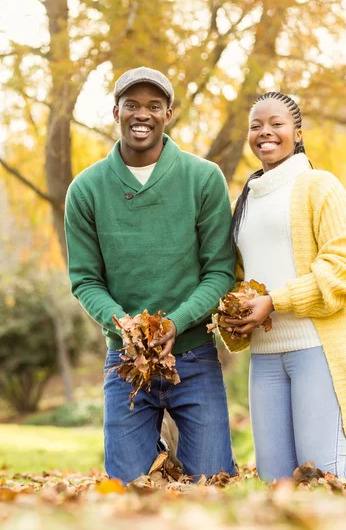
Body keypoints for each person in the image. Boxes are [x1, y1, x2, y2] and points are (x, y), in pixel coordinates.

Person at [65, 66, 236, 484]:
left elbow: (219, 272)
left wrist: (176, 323)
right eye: (132, 105)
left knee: (213, 483)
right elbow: (85, 280)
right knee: (128, 490)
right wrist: (122, 325)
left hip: (193, 356)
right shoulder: (86, 189)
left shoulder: (203, 178)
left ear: (168, 114)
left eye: (153, 106)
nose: (142, 114)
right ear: (116, 112)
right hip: (125, 362)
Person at [221, 91, 346, 485]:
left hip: (316, 348)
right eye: (255, 126)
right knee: (279, 484)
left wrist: (276, 301)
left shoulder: (319, 186)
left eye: (276, 124)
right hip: (266, 357)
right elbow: (237, 278)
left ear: (297, 133)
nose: (264, 132)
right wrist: (234, 317)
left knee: (325, 476)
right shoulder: (244, 201)